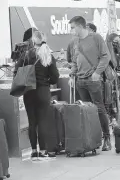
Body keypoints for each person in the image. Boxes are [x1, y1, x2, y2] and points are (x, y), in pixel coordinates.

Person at [68, 16, 112, 151]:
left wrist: (97, 72)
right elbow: (75, 61)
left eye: (72, 27)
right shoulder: (75, 41)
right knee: (86, 111)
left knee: (99, 108)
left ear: (80, 26)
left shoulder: (96, 38)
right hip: (80, 80)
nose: (71, 31)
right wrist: (72, 75)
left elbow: (106, 56)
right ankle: (92, 139)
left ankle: (107, 138)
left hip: (93, 80)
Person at [14, 31, 60, 159]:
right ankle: (44, 150)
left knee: (32, 122)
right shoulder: (48, 55)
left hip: (29, 91)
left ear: (33, 42)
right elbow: (55, 77)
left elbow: (16, 71)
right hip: (43, 91)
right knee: (43, 122)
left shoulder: (26, 55)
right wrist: (47, 82)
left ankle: (34, 151)